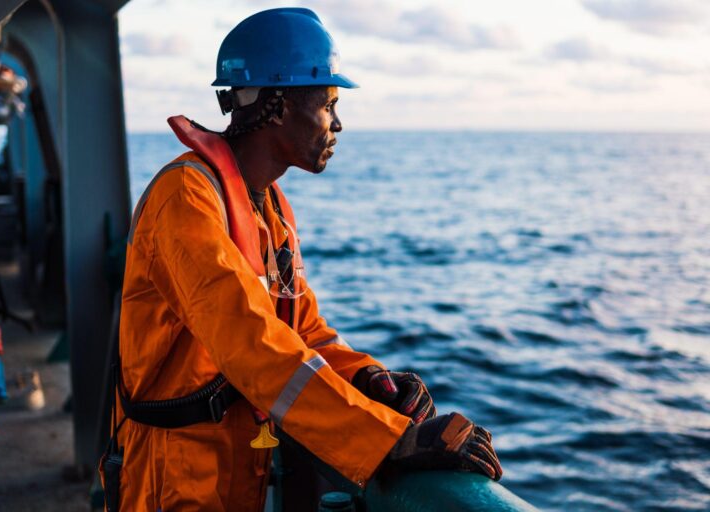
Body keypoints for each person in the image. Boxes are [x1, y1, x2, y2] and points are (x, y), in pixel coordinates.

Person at [101, 8, 502, 511]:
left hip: (240, 465)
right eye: (328, 104)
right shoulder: (185, 198)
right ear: (279, 105)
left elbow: (303, 332)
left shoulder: (268, 206)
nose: (338, 124)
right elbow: (252, 344)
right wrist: (387, 440)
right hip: (173, 479)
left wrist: (368, 378)